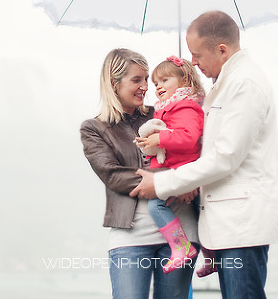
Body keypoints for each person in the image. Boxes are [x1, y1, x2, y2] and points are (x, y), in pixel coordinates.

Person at [130, 11, 278, 299]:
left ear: (222, 50)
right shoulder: (225, 83)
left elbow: (225, 156)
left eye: (197, 55)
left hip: (242, 224)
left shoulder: (245, 84)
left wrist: (163, 183)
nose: (193, 62)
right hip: (228, 224)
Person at [80, 48, 197, 299]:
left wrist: (189, 179)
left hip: (180, 235)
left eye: (146, 79)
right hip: (130, 238)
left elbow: (194, 147)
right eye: (137, 80)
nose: (145, 86)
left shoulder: (166, 111)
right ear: (114, 83)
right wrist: (172, 182)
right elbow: (113, 175)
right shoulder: (94, 128)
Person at [135, 56, 204, 274]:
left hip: (182, 169)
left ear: (185, 81)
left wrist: (160, 138)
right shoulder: (169, 107)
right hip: (176, 168)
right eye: (156, 83)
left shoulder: (186, 107)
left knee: (156, 206)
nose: (158, 87)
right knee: (200, 211)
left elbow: (189, 137)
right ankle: (211, 256)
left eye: (165, 80)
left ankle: (181, 247)